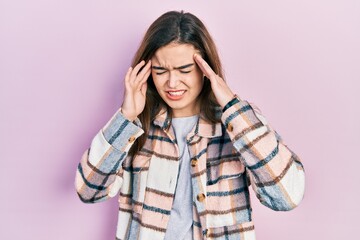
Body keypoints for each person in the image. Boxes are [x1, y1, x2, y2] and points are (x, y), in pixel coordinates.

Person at [75, 10, 305, 240]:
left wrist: (232, 107)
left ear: (206, 69)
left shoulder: (239, 124)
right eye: (160, 71)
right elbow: (89, 191)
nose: (172, 83)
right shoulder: (136, 126)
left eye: (185, 70)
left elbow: (287, 196)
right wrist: (126, 117)